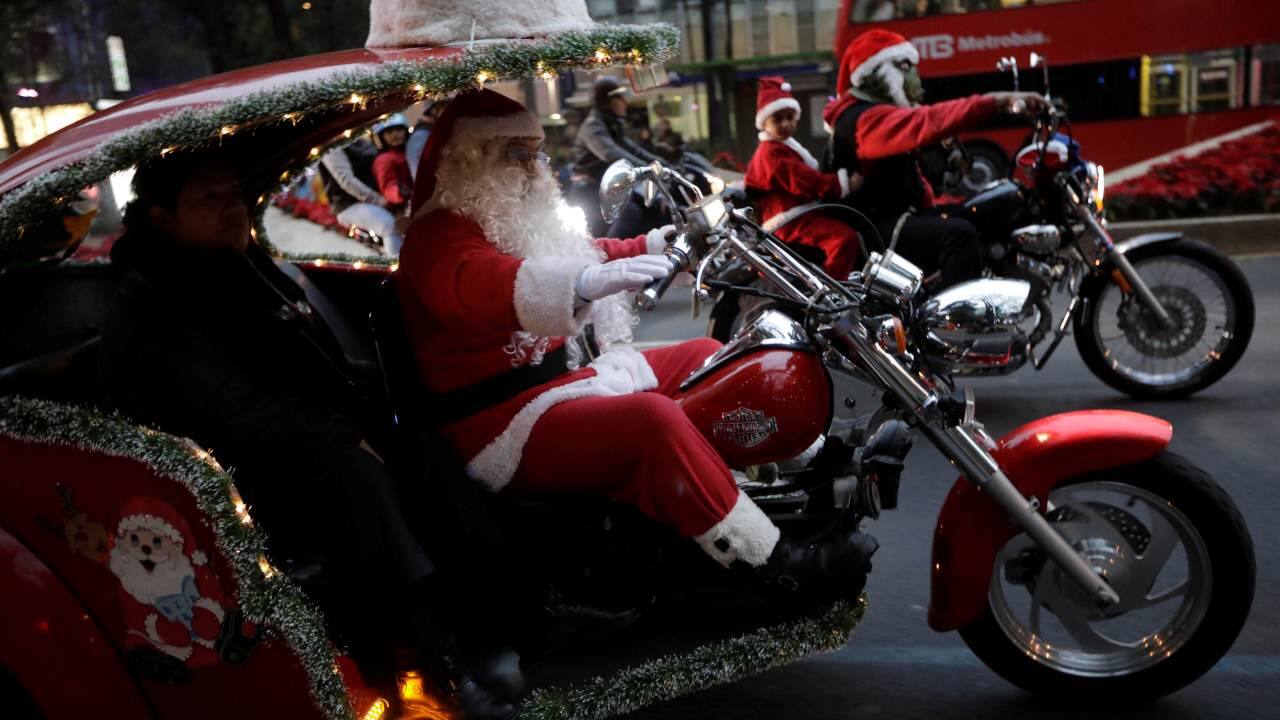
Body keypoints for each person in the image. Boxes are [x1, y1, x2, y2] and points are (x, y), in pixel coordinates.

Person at [397, 89, 876, 604]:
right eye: (517, 154)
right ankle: (770, 561)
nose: (535, 168)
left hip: (559, 384)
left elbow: (578, 251)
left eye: (534, 152)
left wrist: (651, 245)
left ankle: (809, 460)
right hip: (500, 423)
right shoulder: (439, 238)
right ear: (470, 159)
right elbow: (486, 285)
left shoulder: (503, 216)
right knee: (652, 421)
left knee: (705, 357)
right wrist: (581, 283)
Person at [100, 152, 522, 719]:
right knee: (358, 479)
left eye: (233, 192)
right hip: (229, 473)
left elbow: (316, 361)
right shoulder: (157, 297)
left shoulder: (240, 261)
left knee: (416, 442)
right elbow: (234, 414)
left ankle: (499, 620)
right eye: (209, 198)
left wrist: (375, 415)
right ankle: (422, 669)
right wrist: (348, 432)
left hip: (307, 434)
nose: (230, 206)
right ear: (161, 217)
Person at [822, 29, 1046, 287]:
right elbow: (925, 121)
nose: (915, 75)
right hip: (874, 230)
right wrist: (997, 101)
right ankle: (964, 322)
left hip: (897, 216)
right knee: (959, 234)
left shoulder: (881, 113)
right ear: (877, 73)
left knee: (978, 210)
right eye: (906, 66)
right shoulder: (863, 118)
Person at [745, 76, 863, 279]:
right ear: (764, 122)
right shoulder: (772, 153)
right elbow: (804, 180)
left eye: (789, 117)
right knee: (844, 239)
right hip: (790, 220)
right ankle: (836, 291)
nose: (785, 124)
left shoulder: (782, 146)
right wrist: (842, 183)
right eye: (778, 119)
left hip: (799, 213)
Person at [568, 76, 665, 236]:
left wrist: (661, 163)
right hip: (590, 187)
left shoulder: (611, 124)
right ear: (607, 101)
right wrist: (647, 169)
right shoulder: (594, 126)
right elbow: (611, 153)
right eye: (620, 97)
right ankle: (608, 255)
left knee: (650, 206)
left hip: (608, 186)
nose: (624, 102)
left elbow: (631, 149)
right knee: (629, 212)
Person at [320, 136, 405, 255]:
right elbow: (347, 181)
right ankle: (399, 267)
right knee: (389, 226)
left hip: (377, 197)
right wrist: (379, 200)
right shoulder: (331, 148)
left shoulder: (358, 138)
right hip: (348, 203)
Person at [372, 113, 414, 226]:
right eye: (389, 132)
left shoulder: (410, 150)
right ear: (381, 136)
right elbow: (388, 184)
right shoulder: (384, 159)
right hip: (401, 208)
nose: (395, 134)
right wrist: (399, 192)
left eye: (399, 129)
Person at [408, 98, 450, 181]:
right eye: (445, 106)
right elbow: (421, 174)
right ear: (433, 110)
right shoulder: (421, 137)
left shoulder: (437, 131)